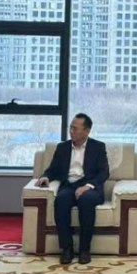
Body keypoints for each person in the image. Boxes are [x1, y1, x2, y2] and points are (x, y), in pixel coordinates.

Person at [35, 113, 109, 265]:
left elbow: (104, 172)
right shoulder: (62, 147)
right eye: (71, 127)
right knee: (61, 200)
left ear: (87, 130)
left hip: (90, 187)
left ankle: (84, 250)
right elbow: (53, 169)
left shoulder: (98, 147)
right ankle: (67, 248)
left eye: (75, 128)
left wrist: (87, 187)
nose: (71, 131)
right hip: (69, 185)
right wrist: (46, 177)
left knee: (86, 201)